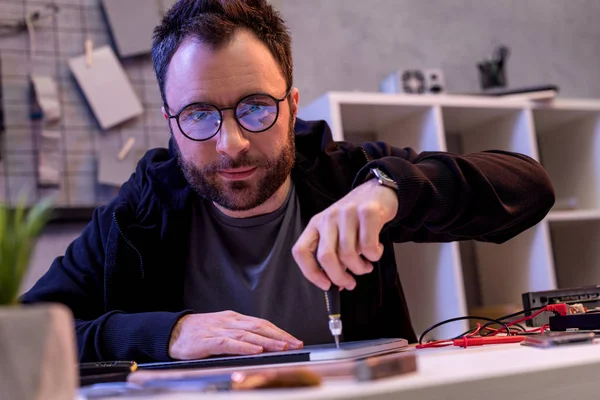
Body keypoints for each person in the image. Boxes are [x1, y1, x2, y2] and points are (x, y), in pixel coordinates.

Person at [21, 0, 555, 363]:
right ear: (170, 123)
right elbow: (24, 332)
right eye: (200, 115)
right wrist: (167, 333)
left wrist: (389, 189)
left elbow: (530, 187)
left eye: (255, 107)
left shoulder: (347, 174)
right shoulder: (137, 214)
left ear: (291, 105)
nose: (231, 143)